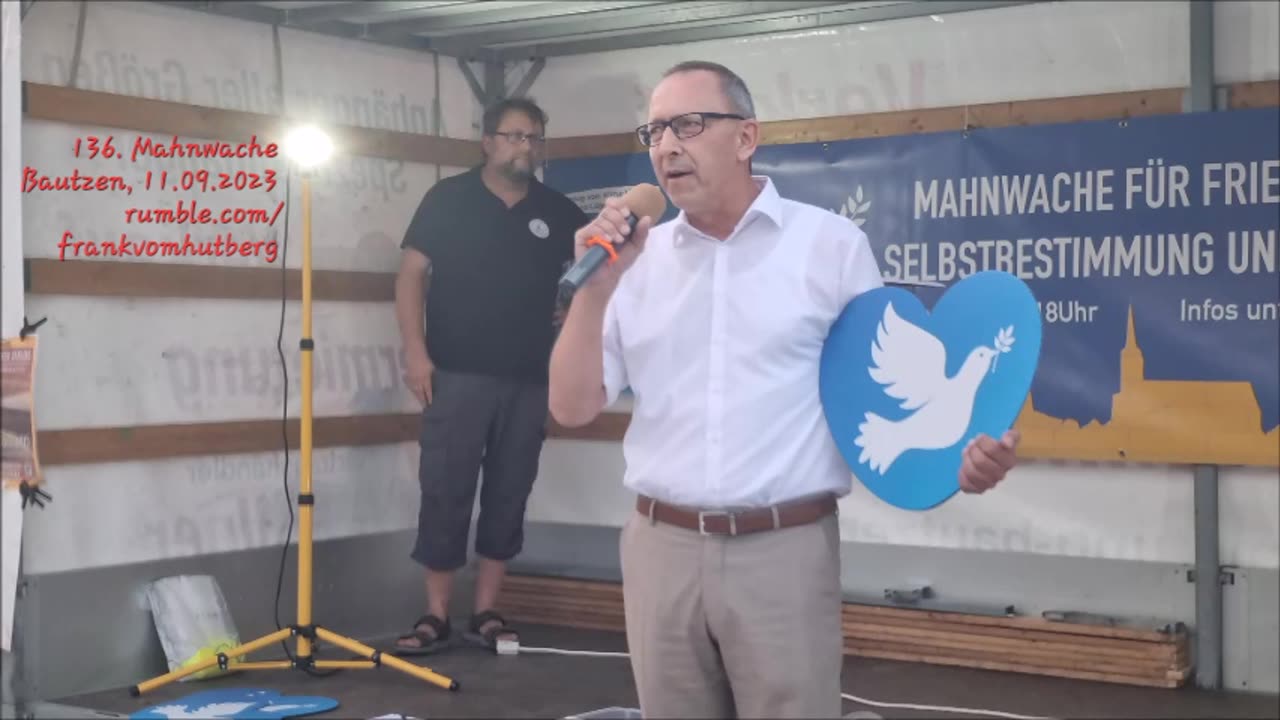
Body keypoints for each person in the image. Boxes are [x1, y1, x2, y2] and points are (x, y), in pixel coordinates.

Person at [548, 61, 1022, 718]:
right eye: (654, 130)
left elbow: (889, 398)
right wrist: (596, 290)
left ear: (746, 137)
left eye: (688, 124)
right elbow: (571, 406)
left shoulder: (828, 246)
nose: (666, 146)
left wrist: (962, 462)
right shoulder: (636, 259)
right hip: (661, 547)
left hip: (783, 549)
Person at [393, 96, 588, 655]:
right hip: (454, 372)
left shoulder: (557, 210)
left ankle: (486, 611)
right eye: (513, 136)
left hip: (529, 376)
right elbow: (410, 277)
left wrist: (570, 305)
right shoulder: (448, 199)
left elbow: (592, 274)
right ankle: (435, 614)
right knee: (446, 488)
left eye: (533, 138)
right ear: (487, 142)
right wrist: (415, 352)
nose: (523, 147)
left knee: (509, 491)